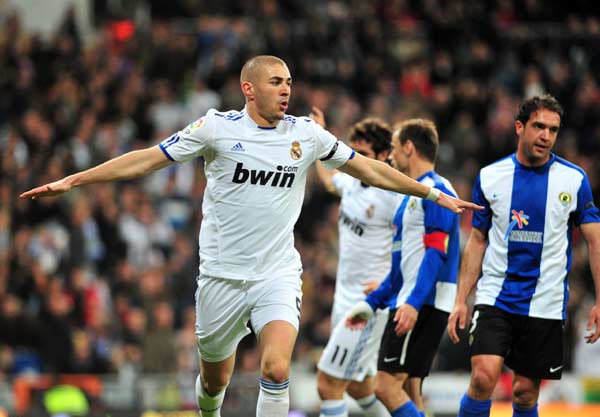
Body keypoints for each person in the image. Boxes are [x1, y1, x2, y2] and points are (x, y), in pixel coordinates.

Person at [20, 55, 481, 417]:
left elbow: (368, 168)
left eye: (289, 83)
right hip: (221, 277)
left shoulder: (307, 135)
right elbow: (146, 159)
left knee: (276, 367)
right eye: (276, 82)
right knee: (215, 381)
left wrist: (430, 193)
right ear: (249, 88)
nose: (286, 90)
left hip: (276, 274)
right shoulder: (216, 128)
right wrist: (73, 181)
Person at [447, 94, 600, 417]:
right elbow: (477, 240)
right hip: (495, 297)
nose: (546, 136)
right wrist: (461, 299)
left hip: (545, 301)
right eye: (539, 126)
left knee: (525, 393)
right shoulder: (490, 177)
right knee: (483, 376)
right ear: (519, 127)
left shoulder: (574, 180)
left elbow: (595, 241)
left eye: (553, 130)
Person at [346, 119, 461, 417]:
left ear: (409, 147)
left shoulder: (439, 190)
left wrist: (412, 303)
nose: (392, 156)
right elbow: (400, 269)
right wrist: (371, 304)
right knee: (410, 388)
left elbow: (436, 254)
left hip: (423, 302)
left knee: (384, 385)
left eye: (395, 148)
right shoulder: (410, 197)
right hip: (412, 300)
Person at [311, 110, 400, 417]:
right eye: (354, 154)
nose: (355, 161)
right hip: (343, 298)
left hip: (368, 304)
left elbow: (417, 249)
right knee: (358, 387)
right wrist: (320, 138)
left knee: (328, 384)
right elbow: (329, 180)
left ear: (384, 155)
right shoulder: (351, 183)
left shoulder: (394, 195)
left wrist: (391, 286)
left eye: (363, 154)